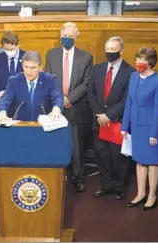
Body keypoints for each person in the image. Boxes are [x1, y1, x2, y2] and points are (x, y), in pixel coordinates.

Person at [45, 22, 93, 192]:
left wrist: (69, 99)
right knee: (56, 142)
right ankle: (57, 175)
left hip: (76, 106)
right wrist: (59, 100)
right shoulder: (51, 54)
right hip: (56, 107)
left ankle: (78, 178)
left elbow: (87, 83)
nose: (66, 39)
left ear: (76, 37)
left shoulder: (86, 57)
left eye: (70, 37)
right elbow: (48, 79)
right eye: (64, 36)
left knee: (77, 145)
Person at [87, 37, 135, 200]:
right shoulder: (97, 68)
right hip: (99, 120)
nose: (109, 52)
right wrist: (99, 115)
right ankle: (106, 185)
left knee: (118, 157)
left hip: (117, 121)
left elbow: (127, 98)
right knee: (101, 155)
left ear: (121, 50)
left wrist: (109, 116)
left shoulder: (130, 72)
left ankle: (119, 187)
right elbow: (90, 92)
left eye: (113, 49)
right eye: (107, 49)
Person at [121, 46, 158, 210]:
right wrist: (124, 126)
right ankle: (140, 193)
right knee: (139, 160)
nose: (138, 63)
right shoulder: (133, 77)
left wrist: (154, 132)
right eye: (137, 59)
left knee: (152, 161)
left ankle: (152, 195)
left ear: (151, 62)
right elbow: (129, 102)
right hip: (135, 125)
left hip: (150, 127)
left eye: (142, 60)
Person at [0, 51, 64, 122]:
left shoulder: (50, 80)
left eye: (33, 68)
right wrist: (2, 113)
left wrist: (56, 109)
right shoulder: (14, 80)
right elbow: (5, 99)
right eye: (26, 67)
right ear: (22, 66)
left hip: (43, 126)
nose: (29, 71)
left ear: (40, 67)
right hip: (21, 126)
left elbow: (57, 97)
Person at [0, 31, 26, 101]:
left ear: (18, 45)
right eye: (6, 49)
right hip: (3, 99)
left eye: (12, 49)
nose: (9, 52)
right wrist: (0, 92)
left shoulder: (27, 58)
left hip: (23, 99)